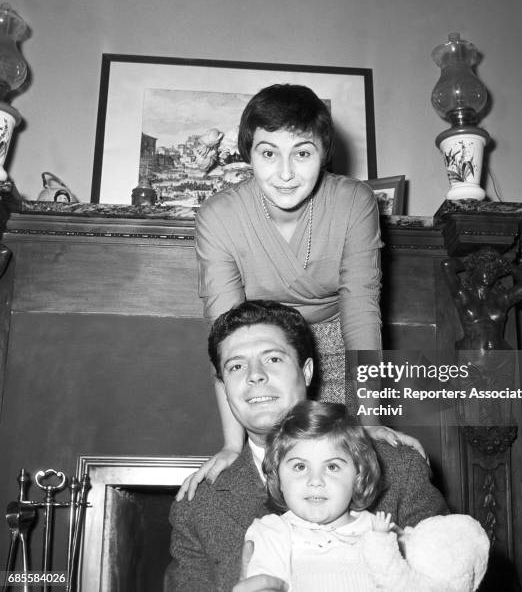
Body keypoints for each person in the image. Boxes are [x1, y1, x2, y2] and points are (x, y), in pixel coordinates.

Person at [179, 83, 420, 495]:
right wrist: (233, 445)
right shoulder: (218, 215)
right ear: (248, 155)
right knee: (268, 476)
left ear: (323, 155)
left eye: (302, 153)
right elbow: (227, 333)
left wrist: (370, 419)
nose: (286, 173)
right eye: (268, 152)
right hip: (263, 345)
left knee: (350, 475)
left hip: (338, 340)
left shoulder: (355, 202)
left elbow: (361, 309)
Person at [165, 300, 449, 592]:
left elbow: (454, 575)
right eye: (236, 366)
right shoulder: (199, 504)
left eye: (273, 359)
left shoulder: (399, 469)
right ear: (224, 388)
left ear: (307, 371)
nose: (254, 375)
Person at [246, 400, 487, 592]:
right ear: (278, 476)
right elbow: (265, 584)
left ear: (358, 474)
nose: (315, 480)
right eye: (299, 467)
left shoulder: (379, 531)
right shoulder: (274, 533)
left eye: (332, 467)